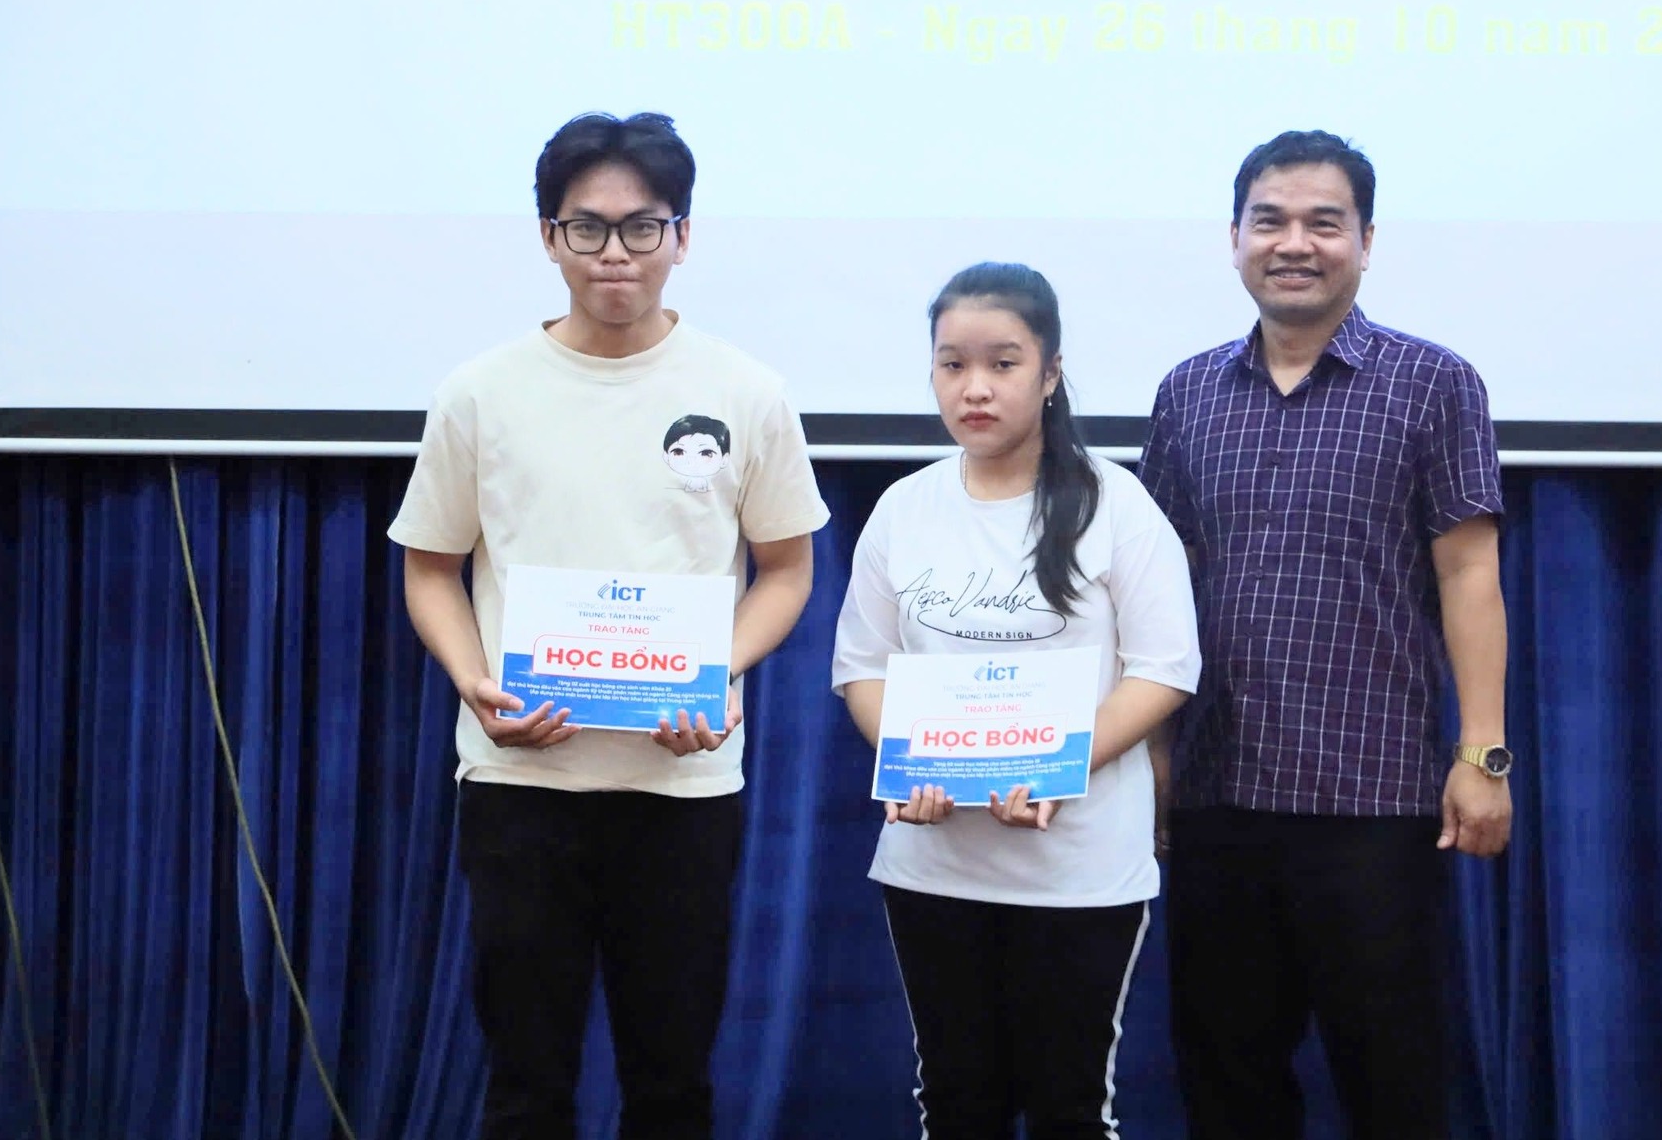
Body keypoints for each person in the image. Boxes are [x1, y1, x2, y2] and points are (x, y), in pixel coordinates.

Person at [388, 111, 829, 1140]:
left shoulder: (746, 391)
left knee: (670, 1085)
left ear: (682, 236)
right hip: (520, 783)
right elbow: (430, 569)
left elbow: (786, 571)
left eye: (642, 227)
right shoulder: (480, 393)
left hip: (679, 785)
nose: (615, 253)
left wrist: (714, 673)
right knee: (525, 1086)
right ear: (550, 236)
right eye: (586, 228)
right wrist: (473, 680)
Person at [1137, 131, 1511, 1140]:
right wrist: (1156, 759)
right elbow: (1156, 593)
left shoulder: (1433, 383)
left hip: (1372, 804)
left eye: (1322, 223)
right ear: (1234, 237)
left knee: (1393, 1089)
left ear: (1366, 241)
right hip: (1217, 795)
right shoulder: (1185, 394)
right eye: (1269, 221)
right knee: (1226, 1089)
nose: (1293, 244)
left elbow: (1468, 574)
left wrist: (1482, 754)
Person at [832, 262, 1201, 1140]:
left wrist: (1054, 766)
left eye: (1003, 363)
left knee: (1071, 1108)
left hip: (1079, 868)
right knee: (956, 1104)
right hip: (933, 863)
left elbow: (1165, 668)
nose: (976, 387)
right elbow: (863, 669)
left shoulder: (1116, 503)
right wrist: (910, 766)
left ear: (1051, 372)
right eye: (952, 364)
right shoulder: (904, 507)